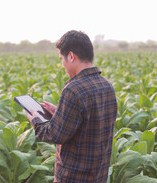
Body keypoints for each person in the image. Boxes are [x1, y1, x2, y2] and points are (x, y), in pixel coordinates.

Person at [25, 30, 117, 183]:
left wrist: (35, 120)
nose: (62, 64)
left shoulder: (73, 90)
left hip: (73, 177)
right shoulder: (107, 85)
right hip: (99, 176)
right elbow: (88, 125)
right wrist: (58, 113)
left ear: (71, 56)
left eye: (62, 58)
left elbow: (54, 135)